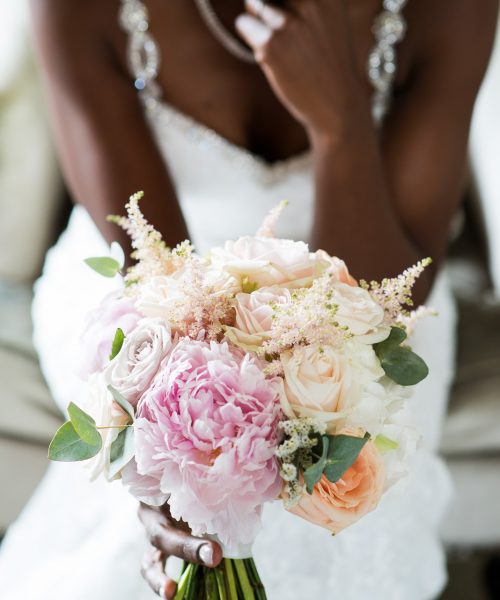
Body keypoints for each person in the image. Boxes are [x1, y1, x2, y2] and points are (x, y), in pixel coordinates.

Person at [0, 0, 497, 598]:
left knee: (345, 458)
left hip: (374, 267)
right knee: (183, 462)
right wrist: (174, 466)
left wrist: (340, 121)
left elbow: (382, 300)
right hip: (149, 273)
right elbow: (156, 276)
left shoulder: (454, 10)